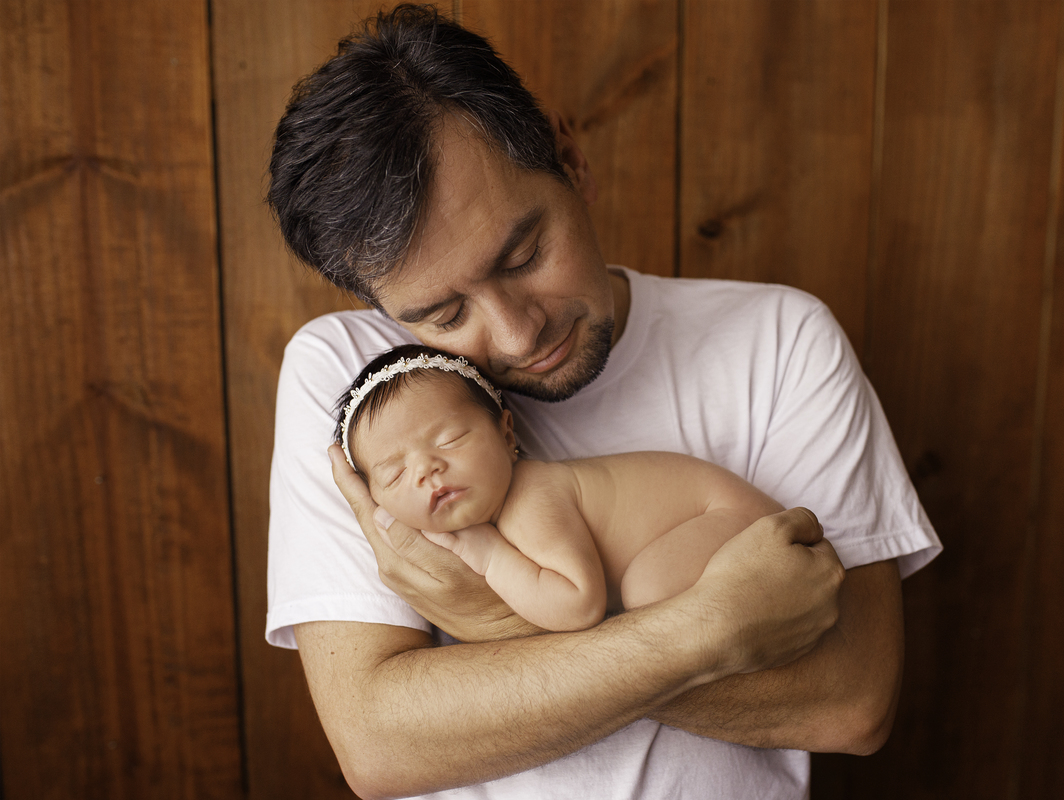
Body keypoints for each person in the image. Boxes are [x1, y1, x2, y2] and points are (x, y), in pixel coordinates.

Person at [266, 5, 941, 799]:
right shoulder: (355, 384)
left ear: (571, 160)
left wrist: (494, 618)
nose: (516, 334)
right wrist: (712, 630)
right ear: (380, 308)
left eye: (524, 255)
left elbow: (851, 700)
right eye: (444, 316)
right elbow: (380, 743)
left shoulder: (780, 340)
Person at [336, 343, 786, 631]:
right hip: (720, 518)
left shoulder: (530, 498)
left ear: (506, 434)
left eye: (449, 440)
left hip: (729, 517)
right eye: (394, 474)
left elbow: (578, 605)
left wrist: (490, 555)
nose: (426, 470)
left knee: (649, 593)